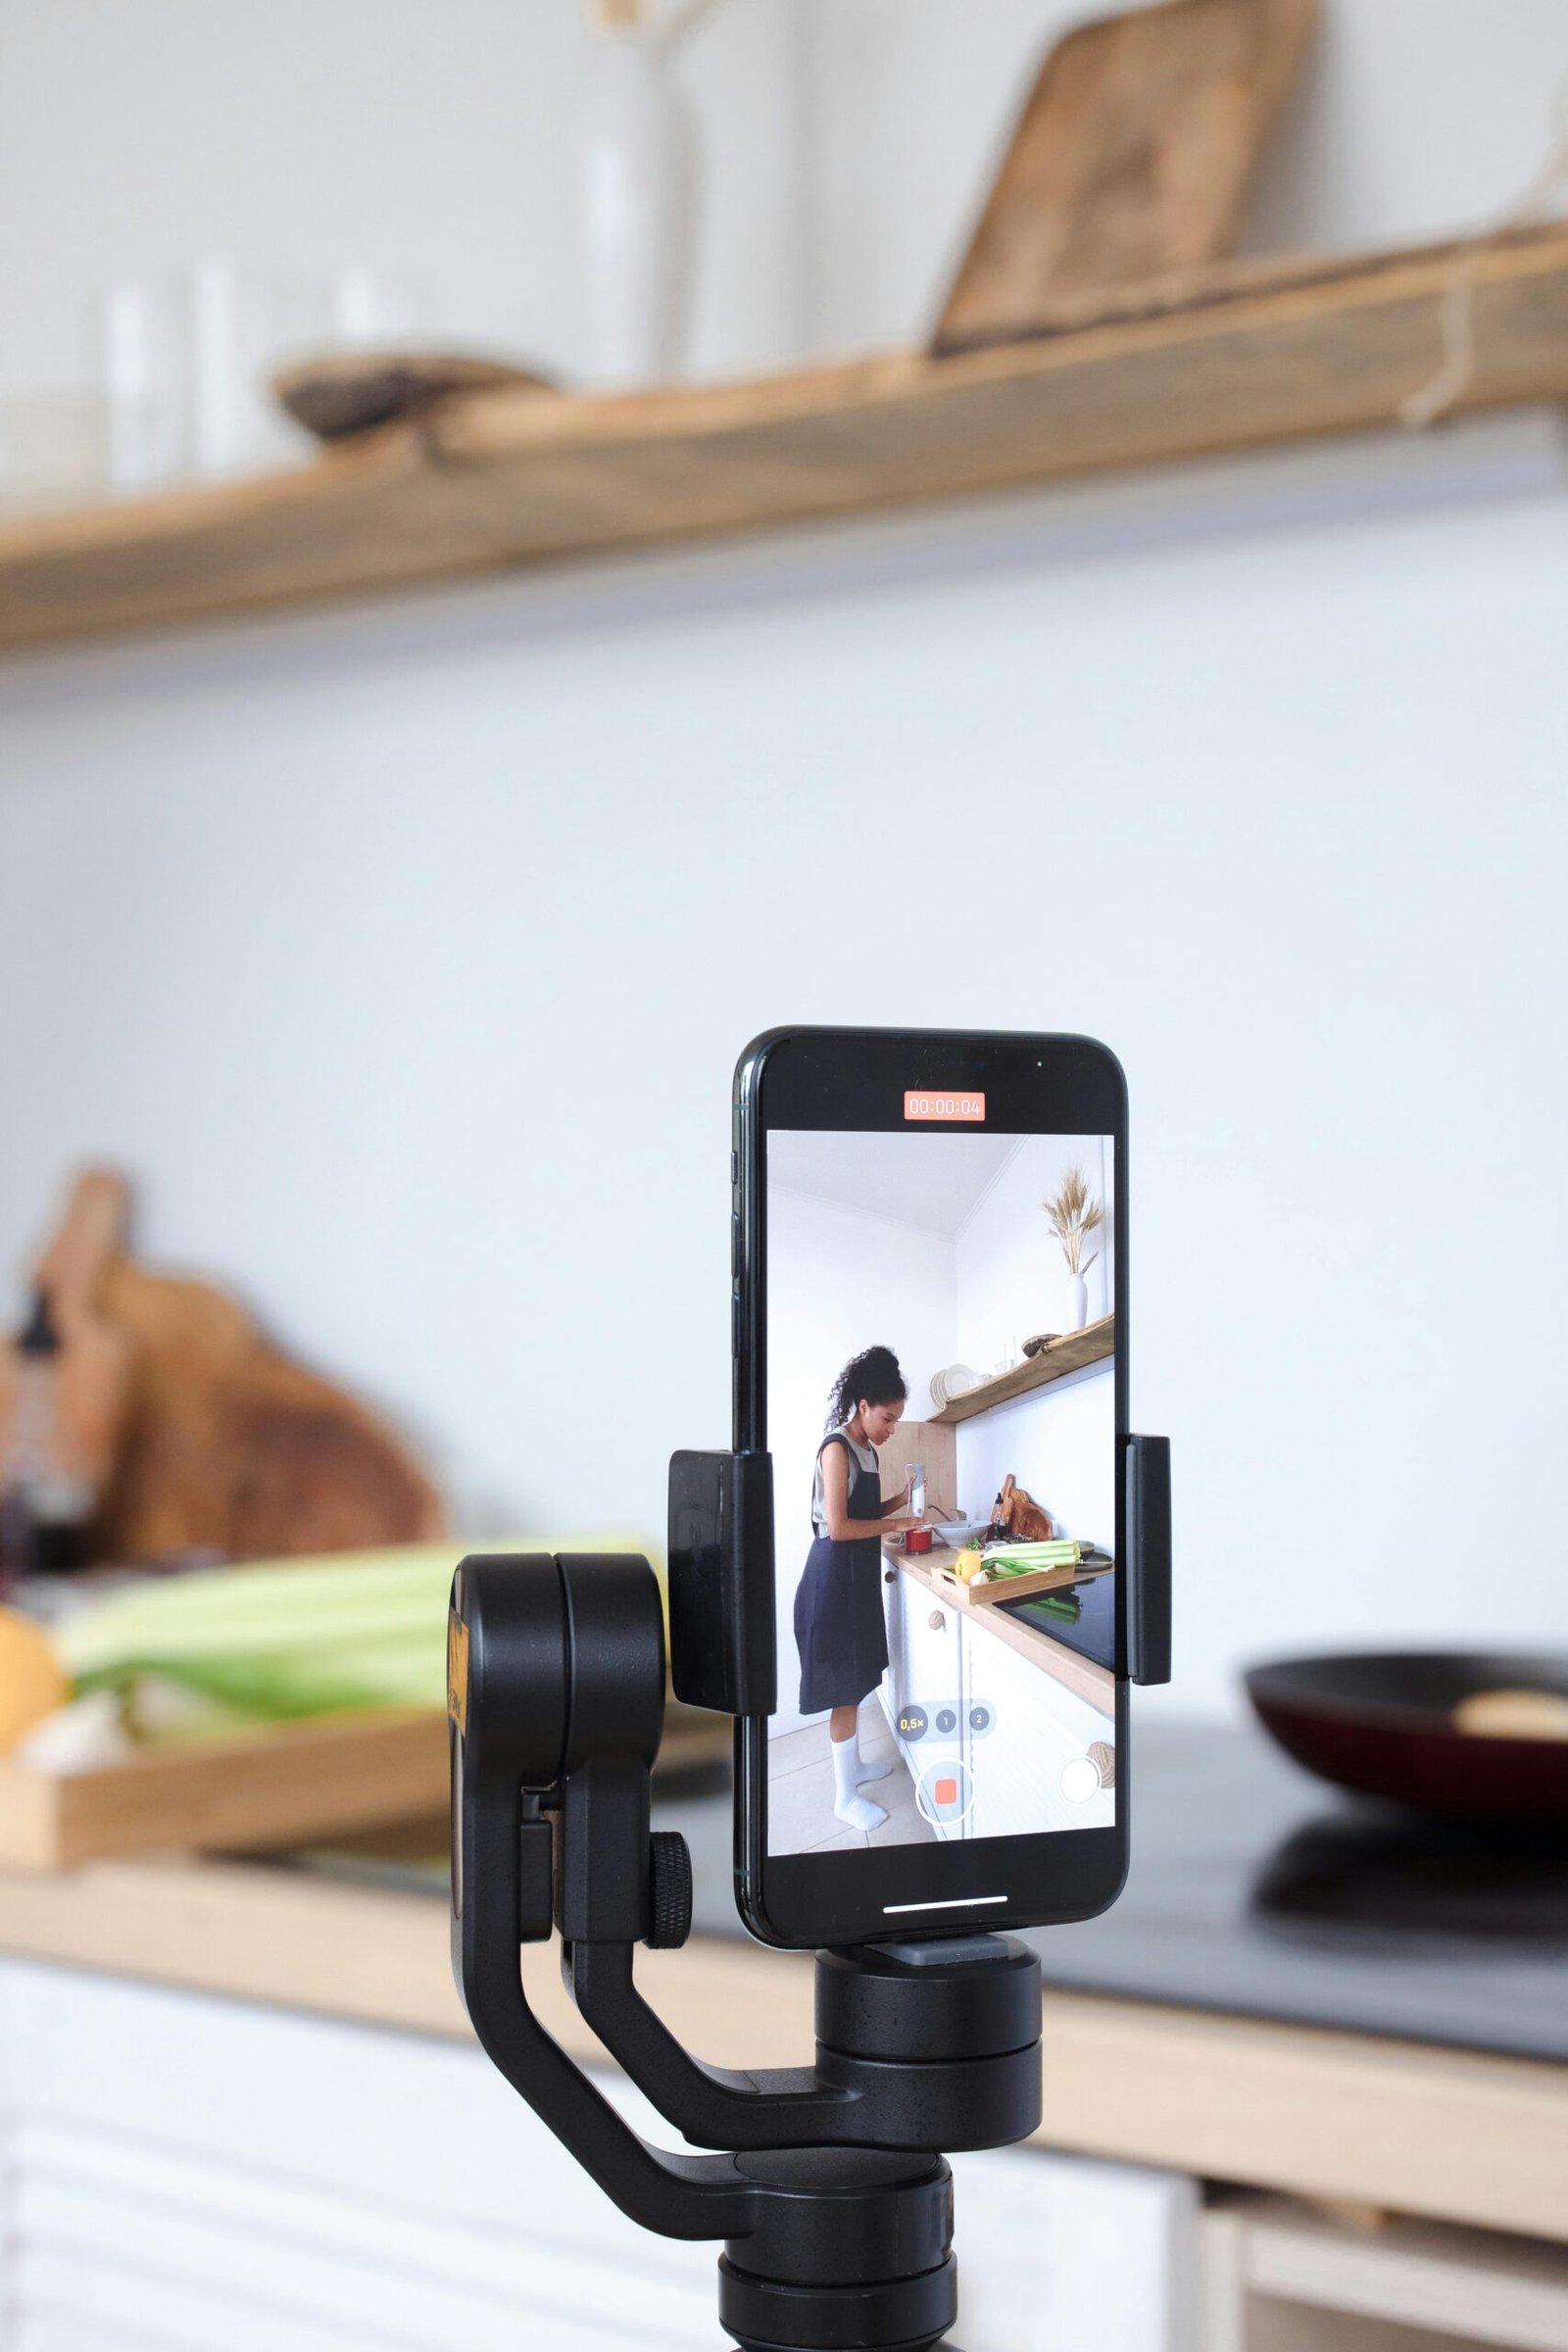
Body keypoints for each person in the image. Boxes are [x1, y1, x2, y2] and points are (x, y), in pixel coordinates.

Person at [794, 1345, 920, 1832]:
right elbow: (840, 1527)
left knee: (858, 1679)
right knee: (842, 1693)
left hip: (855, 1578)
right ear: (863, 1406)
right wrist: (904, 1520)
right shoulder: (836, 1448)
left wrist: (901, 1500)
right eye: (888, 1419)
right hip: (831, 1582)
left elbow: (864, 1513)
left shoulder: (866, 1449)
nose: (891, 1430)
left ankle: (857, 1767)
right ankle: (844, 1797)